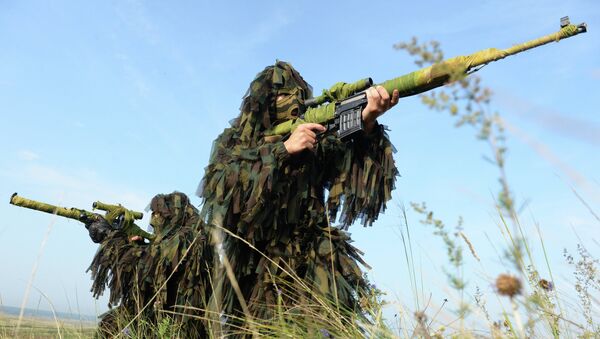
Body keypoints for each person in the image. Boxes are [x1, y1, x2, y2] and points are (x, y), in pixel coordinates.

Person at [198, 61, 399, 325]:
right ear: (263, 101)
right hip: (255, 269)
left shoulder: (315, 140)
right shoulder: (234, 141)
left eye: (299, 96)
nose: (293, 102)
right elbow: (220, 191)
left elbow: (357, 177)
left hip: (313, 261)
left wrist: (367, 123)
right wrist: (282, 151)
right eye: (283, 95)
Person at [86, 192, 213, 337]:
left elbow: (150, 265)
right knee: (110, 325)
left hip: (177, 325)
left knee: (113, 326)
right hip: (166, 317)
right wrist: (139, 246)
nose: (153, 221)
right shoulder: (194, 233)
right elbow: (157, 260)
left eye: (159, 215)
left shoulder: (189, 236)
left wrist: (109, 235)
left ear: (173, 215)